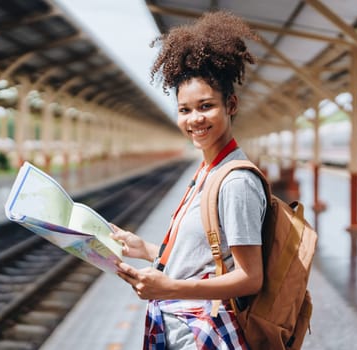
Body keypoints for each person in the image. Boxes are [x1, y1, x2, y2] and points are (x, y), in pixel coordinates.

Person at [111, 10, 266, 349]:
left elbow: (250, 278)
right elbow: (200, 262)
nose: (194, 119)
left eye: (206, 106)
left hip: (204, 336)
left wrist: (169, 288)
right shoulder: (206, 171)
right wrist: (145, 250)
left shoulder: (235, 182)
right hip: (180, 331)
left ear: (231, 104)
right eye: (184, 110)